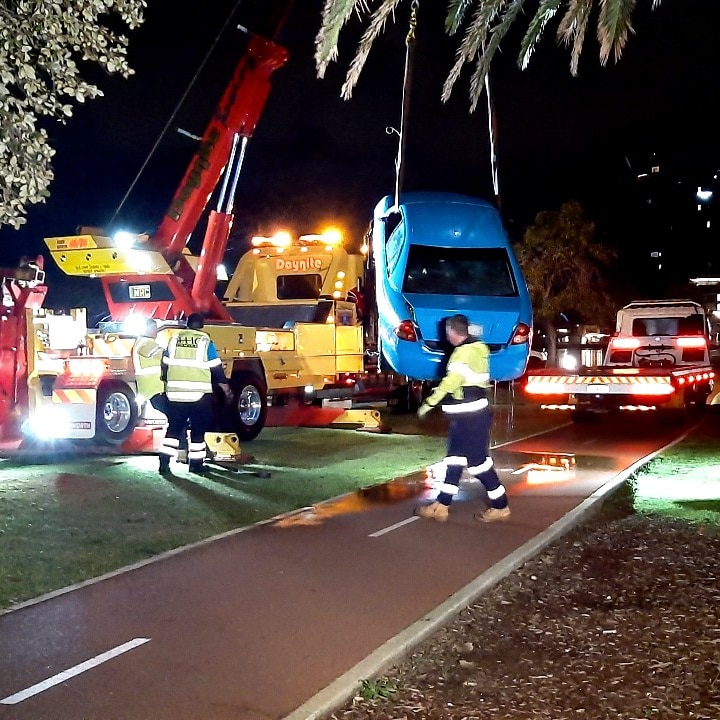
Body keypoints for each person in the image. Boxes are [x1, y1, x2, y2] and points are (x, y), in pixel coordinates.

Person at [415, 313, 510, 523]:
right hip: (467, 415)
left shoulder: (463, 353)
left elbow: (451, 382)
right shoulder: (476, 349)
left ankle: (500, 505)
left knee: (478, 463)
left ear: (451, 331)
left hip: (470, 417)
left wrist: (430, 403)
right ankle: (442, 505)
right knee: (454, 460)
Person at [159, 313, 231, 475]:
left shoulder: (174, 340)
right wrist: (225, 388)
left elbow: (164, 365)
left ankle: (164, 463)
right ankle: (196, 464)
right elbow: (216, 368)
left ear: (186, 324)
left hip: (175, 394)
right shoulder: (205, 342)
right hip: (198, 396)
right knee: (198, 430)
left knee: (174, 430)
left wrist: (167, 380)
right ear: (201, 325)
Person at [130, 316, 168, 418]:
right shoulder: (145, 343)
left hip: (153, 387)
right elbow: (162, 354)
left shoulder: (146, 342)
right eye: (154, 328)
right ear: (147, 329)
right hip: (152, 388)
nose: (156, 331)